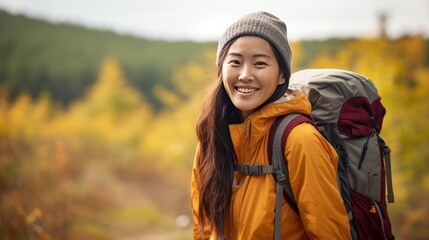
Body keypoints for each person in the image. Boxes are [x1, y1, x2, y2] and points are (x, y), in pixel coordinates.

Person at [191, 11, 352, 240]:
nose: (245, 75)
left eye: (260, 63)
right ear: (221, 69)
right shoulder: (212, 137)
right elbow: (204, 228)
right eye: (235, 62)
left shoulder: (299, 140)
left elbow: (330, 233)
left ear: (282, 76)